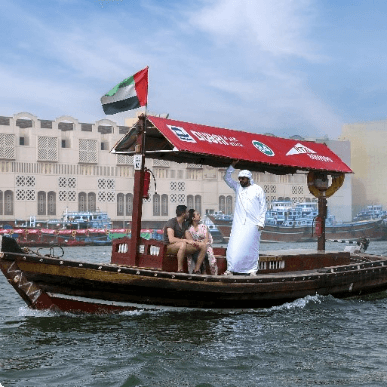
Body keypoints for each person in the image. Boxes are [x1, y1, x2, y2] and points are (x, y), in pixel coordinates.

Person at [223, 160, 267, 275]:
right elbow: (227, 178)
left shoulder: (258, 189)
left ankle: (252, 270)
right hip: (238, 224)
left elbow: (263, 206)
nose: (241, 180)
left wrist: (261, 222)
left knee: (251, 248)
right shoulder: (238, 187)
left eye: (243, 178)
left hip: (253, 225)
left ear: (248, 178)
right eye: (240, 178)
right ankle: (231, 269)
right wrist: (232, 166)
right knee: (233, 247)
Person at [163, 205, 207, 274]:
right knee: (182, 244)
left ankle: (196, 270)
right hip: (169, 246)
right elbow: (171, 240)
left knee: (203, 245)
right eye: (187, 212)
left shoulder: (184, 224)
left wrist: (194, 242)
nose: (188, 214)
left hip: (180, 245)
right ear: (183, 214)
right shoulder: (171, 222)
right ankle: (179, 270)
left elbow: (188, 235)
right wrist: (186, 240)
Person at [186, 209, 218, 275]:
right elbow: (190, 240)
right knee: (195, 254)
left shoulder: (203, 226)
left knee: (206, 254)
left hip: (205, 245)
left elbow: (207, 239)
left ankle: (205, 271)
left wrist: (202, 244)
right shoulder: (189, 229)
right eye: (197, 214)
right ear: (193, 218)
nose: (199, 215)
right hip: (195, 246)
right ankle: (200, 271)